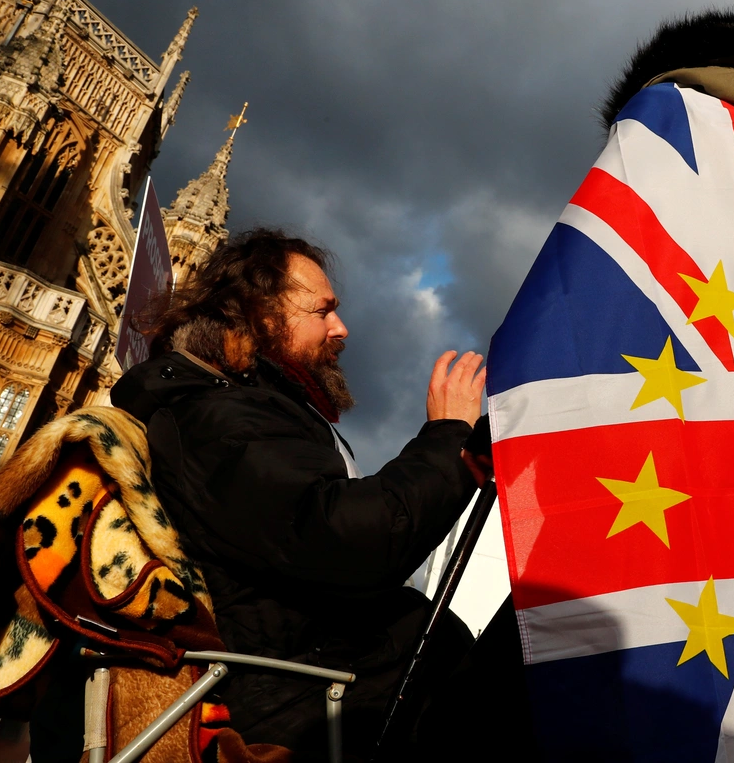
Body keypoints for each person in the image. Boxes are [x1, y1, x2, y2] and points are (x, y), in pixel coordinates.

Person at [107, 229, 491, 757]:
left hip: (336, 687)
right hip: (308, 707)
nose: (342, 328)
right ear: (259, 315)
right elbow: (348, 541)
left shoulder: (248, 414)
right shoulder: (219, 419)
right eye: (322, 311)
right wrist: (447, 440)